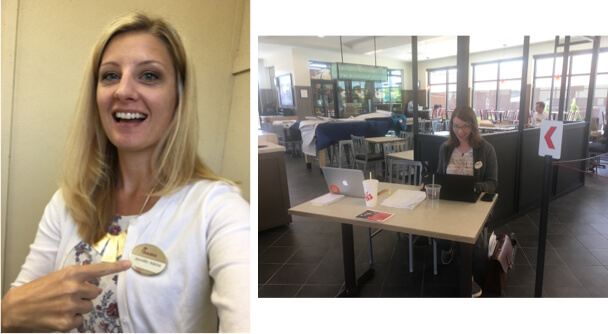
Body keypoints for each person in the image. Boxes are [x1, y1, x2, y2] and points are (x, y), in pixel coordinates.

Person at [1, 13, 249, 333]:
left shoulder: (218, 208)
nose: (124, 90)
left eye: (148, 75)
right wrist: (7, 311)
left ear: (179, 97)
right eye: (110, 76)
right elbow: (20, 306)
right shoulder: (69, 202)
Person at [435, 105, 498, 297]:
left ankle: (468, 277)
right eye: (455, 126)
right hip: (447, 203)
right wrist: (431, 184)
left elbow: (493, 183)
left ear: (473, 126)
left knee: (467, 237)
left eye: (465, 127)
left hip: (473, 204)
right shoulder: (445, 149)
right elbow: (439, 175)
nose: (460, 131)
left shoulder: (486, 150)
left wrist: (475, 187)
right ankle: (447, 246)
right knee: (434, 228)